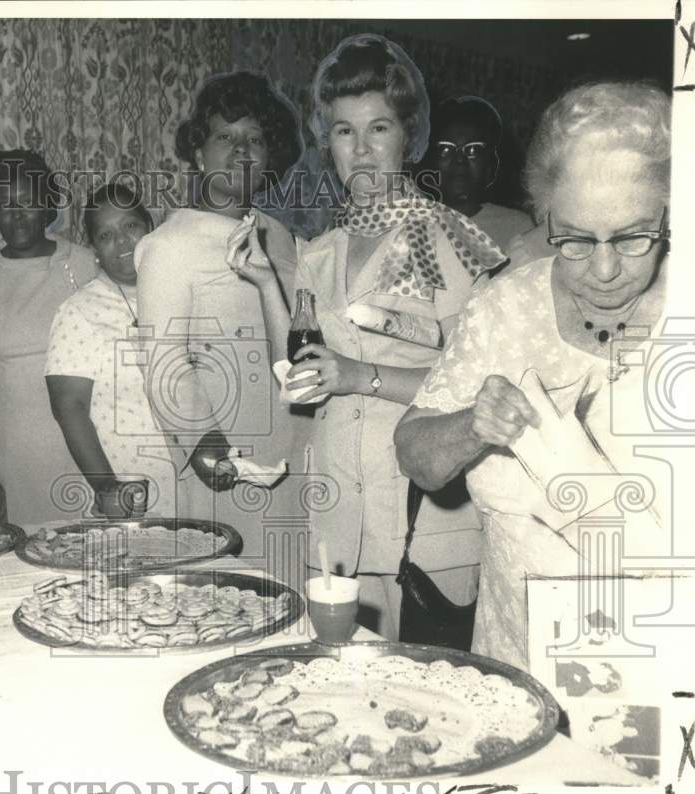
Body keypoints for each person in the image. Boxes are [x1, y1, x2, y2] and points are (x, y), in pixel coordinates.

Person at [227, 35, 505, 638]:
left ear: (409, 135)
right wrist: (266, 283)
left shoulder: (447, 240)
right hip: (336, 521)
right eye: (344, 131)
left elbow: (481, 390)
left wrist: (360, 378)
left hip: (423, 525)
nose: (362, 149)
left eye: (379, 128)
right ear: (327, 143)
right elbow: (297, 371)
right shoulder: (321, 252)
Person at [394, 81, 671, 669]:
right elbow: (416, 455)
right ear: (543, 216)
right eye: (572, 238)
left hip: (662, 670)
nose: (603, 269)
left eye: (632, 237)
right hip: (514, 659)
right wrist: (474, 425)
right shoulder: (506, 306)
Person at [134, 70, 306, 558]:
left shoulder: (282, 238)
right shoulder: (169, 245)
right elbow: (164, 362)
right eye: (224, 137)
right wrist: (204, 445)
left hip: (296, 445)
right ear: (197, 152)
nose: (242, 151)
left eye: (255, 138)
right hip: (224, 458)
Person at [0, 149, 97, 525]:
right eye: (4, 204)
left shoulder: (86, 263)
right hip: (4, 443)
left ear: (48, 203)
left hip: (80, 436)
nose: (17, 214)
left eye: (28, 202)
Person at [45, 183, 177, 517]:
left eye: (130, 226)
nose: (121, 242)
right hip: (129, 488)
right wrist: (107, 487)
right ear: (95, 251)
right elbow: (69, 408)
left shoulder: (181, 294)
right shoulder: (80, 311)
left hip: (194, 484)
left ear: (150, 229)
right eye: (106, 235)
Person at [430, 96, 534, 253]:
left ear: (490, 165)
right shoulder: (408, 224)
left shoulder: (517, 229)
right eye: (446, 149)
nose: (459, 160)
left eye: (473, 150)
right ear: (430, 162)